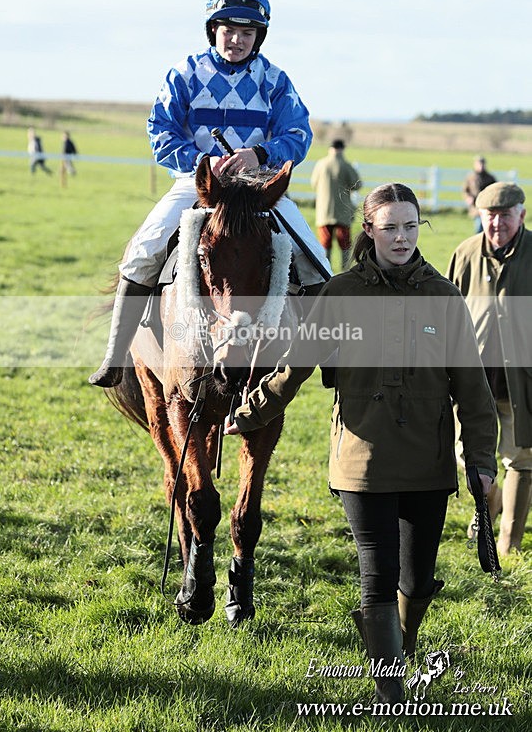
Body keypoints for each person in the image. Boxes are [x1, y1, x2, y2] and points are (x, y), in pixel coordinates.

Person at [225, 183, 497, 701]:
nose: (401, 237)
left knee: (416, 583)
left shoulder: (443, 297)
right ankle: (391, 691)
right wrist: (250, 412)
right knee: (378, 576)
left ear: (421, 228)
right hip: (361, 460)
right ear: (368, 229)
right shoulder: (340, 294)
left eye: (411, 226)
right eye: (390, 226)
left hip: (428, 461)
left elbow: (474, 390)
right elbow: (293, 368)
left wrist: (481, 460)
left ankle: (401, 647)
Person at [89, 0, 332, 388]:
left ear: (259, 36)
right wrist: (203, 162)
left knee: (317, 263)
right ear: (212, 30)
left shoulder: (275, 80)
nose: (236, 40)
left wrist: (260, 155)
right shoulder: (185, 73)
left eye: (246, 32)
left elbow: (299, 134)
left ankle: (330, 361)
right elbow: (160, 128)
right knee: (143, 251)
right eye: (228, 30)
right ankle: (115, 358)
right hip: (198, 184)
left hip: (258, 190)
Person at [447, 182, 532, 555]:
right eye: (490, 216)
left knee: (521, 458)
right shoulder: (465, 254)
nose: (497, 224)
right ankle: (489, 504)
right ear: (479, 216)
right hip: (473, 381)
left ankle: (509, 544)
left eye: (505, 216)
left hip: (522, 383)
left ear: (522, 215)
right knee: (466, 455)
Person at [311, 139, 362, 269]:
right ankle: (345, 270)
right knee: (344, 244)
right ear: (342, 149)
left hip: (324, 211)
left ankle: (325, 269)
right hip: (343, 211)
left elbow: (313, 183)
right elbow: (358, 185)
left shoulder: (320, 164)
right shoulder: (345, 165)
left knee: (325, 244)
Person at [462, 156, 496, 234]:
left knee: (484, 227)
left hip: (487, 207)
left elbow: (495, 190)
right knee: (479, 228)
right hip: (475, 207)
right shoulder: (470, 177)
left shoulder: (490, 178)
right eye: (479, 164)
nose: (481, 166)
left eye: (482, 164)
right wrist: (468, 197)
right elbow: (465, 190)